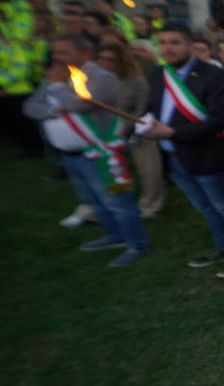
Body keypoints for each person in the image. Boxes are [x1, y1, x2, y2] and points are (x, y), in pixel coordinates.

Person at [139, 23, 224, 277]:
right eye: (164, 43)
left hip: (205, 153)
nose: (168, 48)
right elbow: (154, 105)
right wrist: (145, 122)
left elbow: (218, 119)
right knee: (203, 205)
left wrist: (174, 133)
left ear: (190, 46)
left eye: (175, 42)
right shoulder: (160, 73)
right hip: (173, 154)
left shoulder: (212, 75)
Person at [24, 34, 149, 265]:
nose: (56, 58)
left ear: (85, 54)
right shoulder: (55, 76)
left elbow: (79, 104)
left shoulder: (100, 77)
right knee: (93, 200)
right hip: (71, 154)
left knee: (117, 200)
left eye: (63, 52)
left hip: (101, 152)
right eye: (56, 52)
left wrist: (59, 88)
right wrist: (56, 110)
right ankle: (115, 236)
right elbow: (31, 107)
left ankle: (136, 244)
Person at [96, 40, 164, 220]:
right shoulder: (93, 81)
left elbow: (141, 109)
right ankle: (116, 201)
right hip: (102, 131)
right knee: (111, 168)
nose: (106, 63)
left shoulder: (135, 80)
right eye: (102, 59)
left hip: (135, 128)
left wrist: (123, 126)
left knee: (148, 167)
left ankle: (150, 202)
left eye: (111, 59)